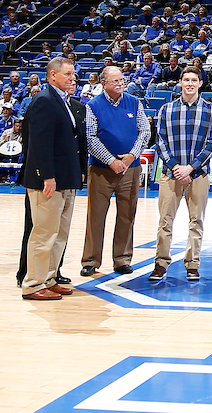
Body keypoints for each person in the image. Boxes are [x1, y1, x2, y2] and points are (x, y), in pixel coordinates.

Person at [149, 66, 212, 282]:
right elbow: (159, 141)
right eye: (186, 80)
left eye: (194, 80)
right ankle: (161, 263)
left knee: (196, 220)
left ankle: (193, 264)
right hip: (171, 174)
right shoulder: (166, 109)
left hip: (197, 174)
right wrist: (175, 167)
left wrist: (190, 168)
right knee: (165, 220)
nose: (190, 83)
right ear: (180, 82)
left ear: (200, 83)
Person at [19, 57, 84, 300]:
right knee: (44, 233)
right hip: (49, 180)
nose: (72, 78)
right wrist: (47, 176)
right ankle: (33, 284)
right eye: (67, 74)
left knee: (59, 234)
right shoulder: (44, 101)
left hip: (66, 179)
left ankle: (49, 277)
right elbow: (39, 144)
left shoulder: (65, 102)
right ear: (52, 75)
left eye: (73, 74)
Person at [81, 66, 151, 277]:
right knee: (96, 216)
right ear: (104, 84)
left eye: (122, 80)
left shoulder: (134, 102)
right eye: (115, 81)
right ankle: (91, 260)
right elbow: (91, 138)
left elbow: (144, 131)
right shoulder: (93, 105)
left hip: (131, 168)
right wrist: (111, 160)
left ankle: (122, 259)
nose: (120, 84)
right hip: (102, 170)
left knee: (127, 215)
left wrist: (131, 156)